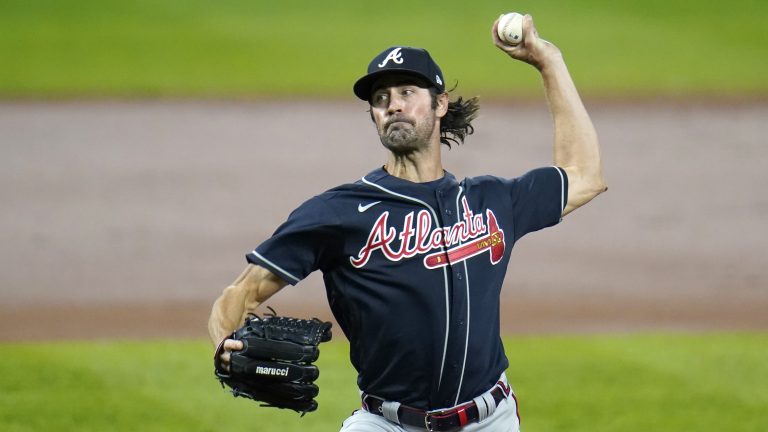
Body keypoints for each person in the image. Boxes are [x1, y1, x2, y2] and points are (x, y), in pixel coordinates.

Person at [208, 14, 606, 432]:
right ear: (373, 117)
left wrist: (549, 61)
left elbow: (584, 175)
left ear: (439, 104)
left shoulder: (492, 201)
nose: (393, 104)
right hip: (386, 424)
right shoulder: (338, 212)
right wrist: (223, 343)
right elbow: (242, 292)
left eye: (407, 92)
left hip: (491, 420)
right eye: (381, 98)